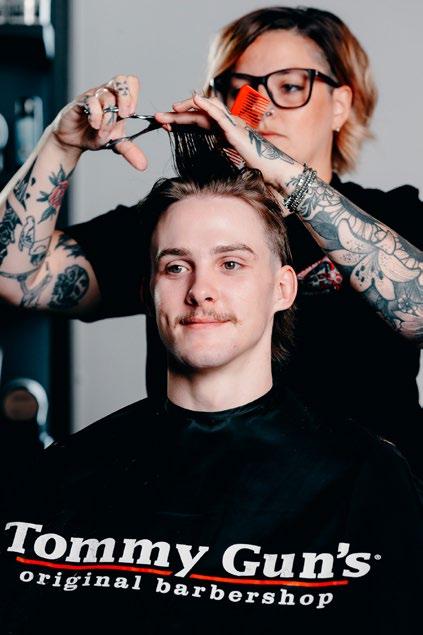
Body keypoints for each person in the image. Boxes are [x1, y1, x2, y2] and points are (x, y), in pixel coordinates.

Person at [1, 167, 422, 635]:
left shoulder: (364, 480)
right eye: (175, 267)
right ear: (147, 292)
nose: (200, 290)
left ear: (283, 288)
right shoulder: (62, 476)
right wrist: (62, 142)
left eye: (231, 264)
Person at [0, 7, 421, 466]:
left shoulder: (393, 216)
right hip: (202, 498)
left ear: (340, 104)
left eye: (290, 87)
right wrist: (61, 143)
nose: (263, 106)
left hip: (371, 498)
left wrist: (284, 175)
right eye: (241, 90)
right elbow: (14, 275)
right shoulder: (179, 225)